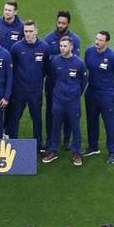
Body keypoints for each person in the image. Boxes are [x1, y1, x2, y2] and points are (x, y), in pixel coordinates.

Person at [82, 30, 114, 163]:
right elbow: (86, 68)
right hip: (91, 92)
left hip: (107, 95)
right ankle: (93, 147)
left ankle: (112, 152)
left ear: (107, 42)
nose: (97, 42)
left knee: (109, 123)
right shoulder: (89, 51)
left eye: (100, 40)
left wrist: (110, 80)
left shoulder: (113, 56)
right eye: (96, 39)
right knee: (91, 121)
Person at [7, 19, 51, 151]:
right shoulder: (16, 48)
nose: (28, 34)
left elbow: (46, 69)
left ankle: (38, 147)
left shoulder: (44, 47)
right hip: (19, 91)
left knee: (37, 119)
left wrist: (36, 79)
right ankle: (12, 146)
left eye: (31, 31)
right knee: (14, 118)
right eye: (26, 31)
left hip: (35, 91)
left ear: (36, 31)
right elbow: (12, 68)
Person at [43, 35, 87, 164]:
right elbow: (52, 78)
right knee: (55, 126)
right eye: (61, 46)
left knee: (75, 127)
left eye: (65, 46)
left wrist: (77, 93)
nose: (62, 48)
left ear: (71, 47)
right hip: (58, 100)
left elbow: (84, 80)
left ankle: (77, 152)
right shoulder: (55, 61)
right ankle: (54, 151)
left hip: (73, 101)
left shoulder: (79, 63)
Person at [43, 11, 81, 146]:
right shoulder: (48, 39)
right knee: (50, 112)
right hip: (52, 82)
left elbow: (75, 62)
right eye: (59, 22)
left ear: (68, 23)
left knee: (69, 113)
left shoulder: (75, 39)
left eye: (63, 23)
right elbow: (46, 61)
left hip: (70, 84)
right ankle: (50, 139)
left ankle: (66, 139)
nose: (60, 25)